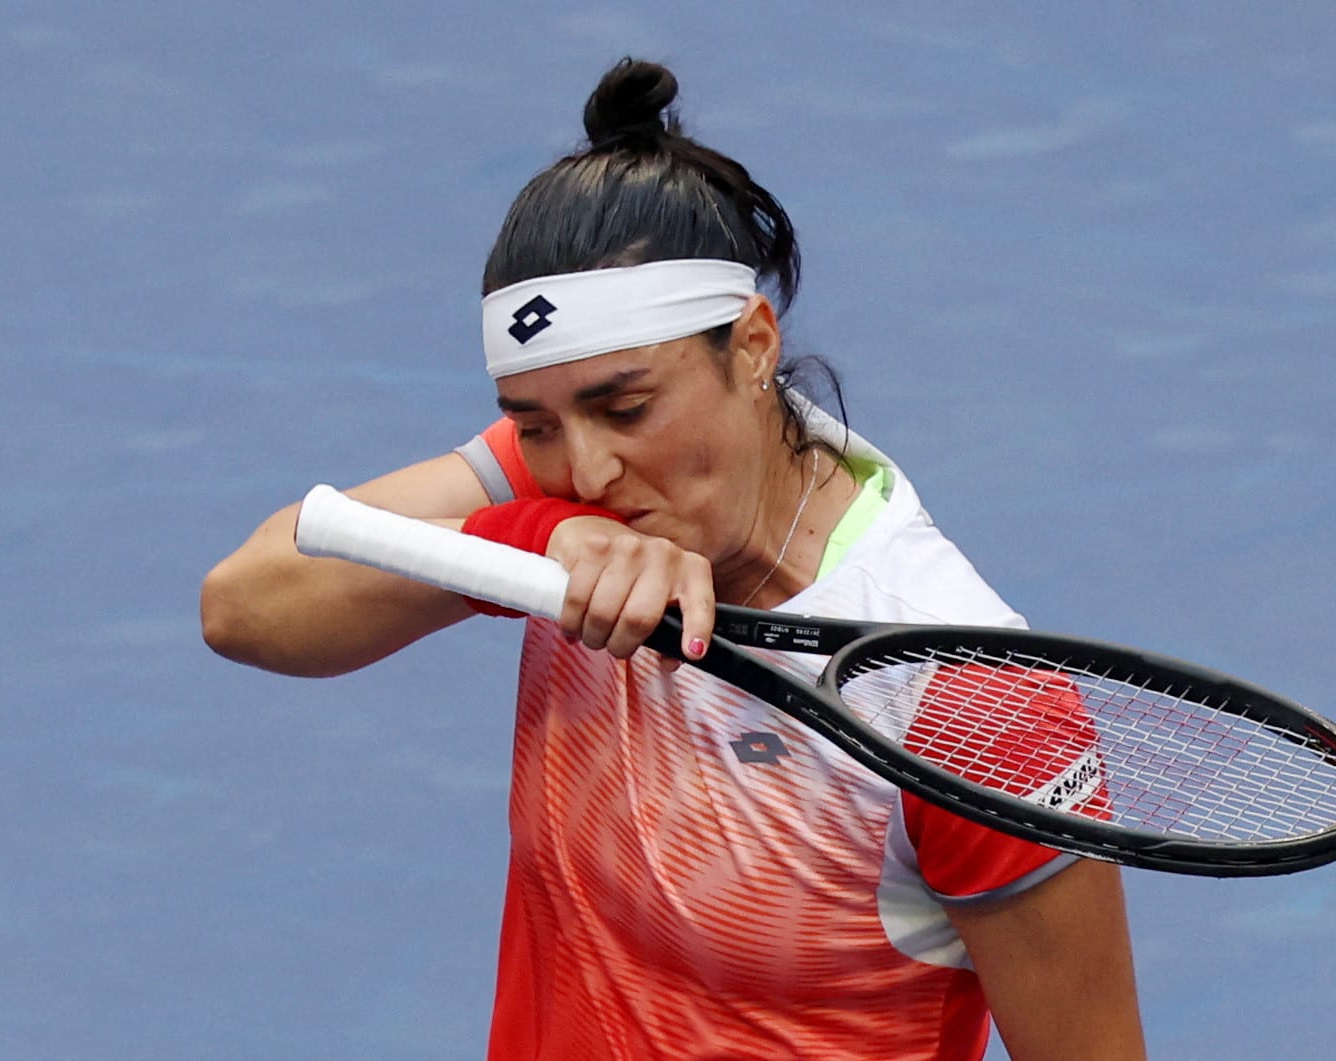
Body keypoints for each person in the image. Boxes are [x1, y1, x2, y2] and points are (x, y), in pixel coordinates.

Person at [201, 57, 1145, 1061]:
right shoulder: (555, 489)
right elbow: (247, 601)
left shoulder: (968, 705)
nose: (591, 467)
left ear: (752, 344)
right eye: (535, 422)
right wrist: (530, 539)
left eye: (626, 406)